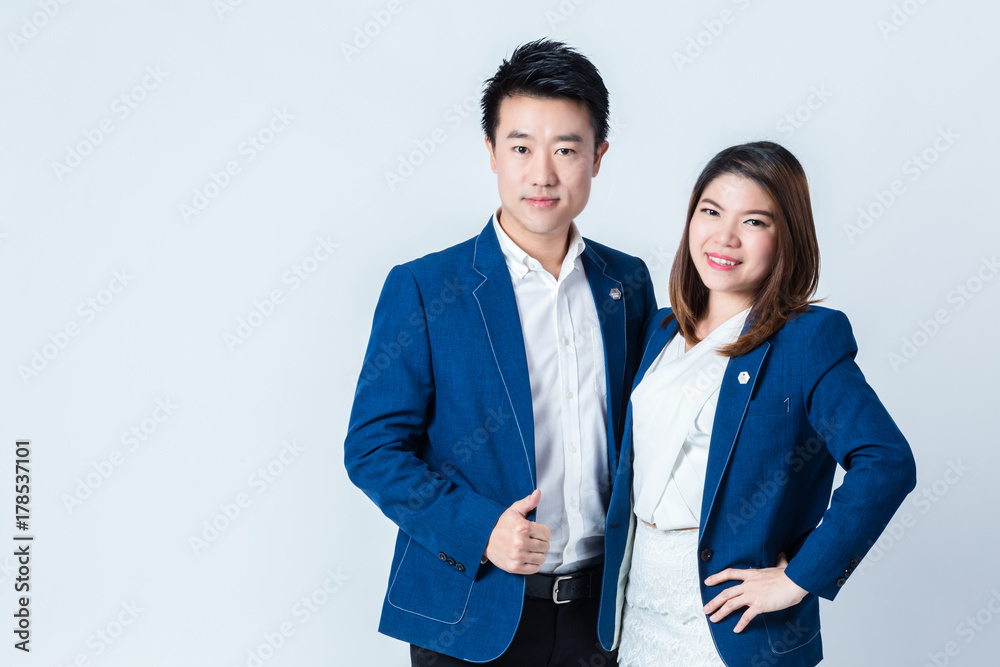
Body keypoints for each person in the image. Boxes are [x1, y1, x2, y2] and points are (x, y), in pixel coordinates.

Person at [344, 39, 657, 666]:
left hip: (604, 617)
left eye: (566, 149)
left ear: (598, 157)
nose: (542, 174)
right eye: (520, 148)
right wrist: (481, 529)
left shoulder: (627, 284)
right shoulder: (426, 288)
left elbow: (646, 432)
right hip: (470, 615)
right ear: (491, 153)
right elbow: (373, 450)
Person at [596, 141, 917, 666]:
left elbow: (887, 461)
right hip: (638, 610)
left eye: (754, 222)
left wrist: (799, 578)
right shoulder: (659, 332)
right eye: (711, 211)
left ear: (786, 238)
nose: (724, 237)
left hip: (731, 626)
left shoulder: (805, 340)